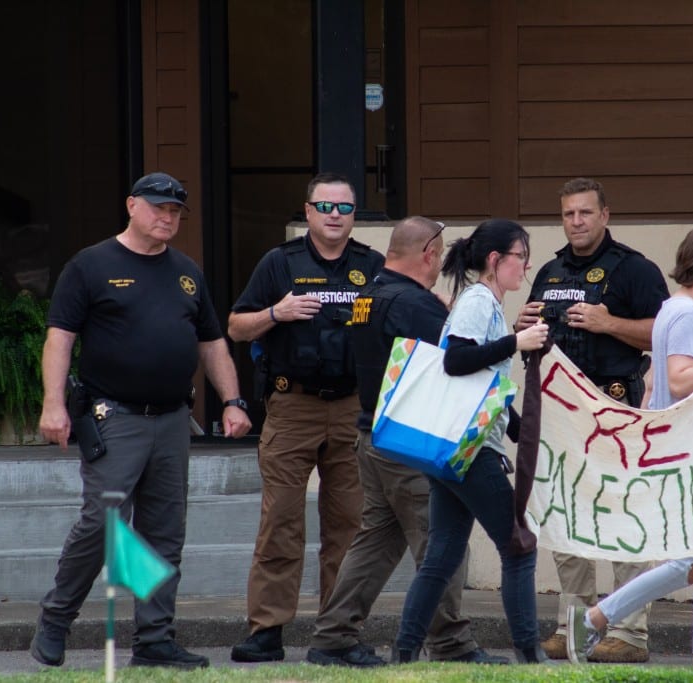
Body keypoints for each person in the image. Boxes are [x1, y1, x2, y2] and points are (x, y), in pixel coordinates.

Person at [30, 172, 252, 669]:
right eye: (157, 208)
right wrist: (52, 403)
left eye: (175, 212)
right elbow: (59, 338)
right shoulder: (91, 265)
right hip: (114, 417)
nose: (167, 218)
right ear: (132, 205)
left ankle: (154, 640)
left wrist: (233, 400)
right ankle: (56, 620)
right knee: (103, 523)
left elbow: (212, 343)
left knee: (164, 532)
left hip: (173, 419)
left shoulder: (187, 272)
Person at [305, 216, 507, 667]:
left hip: (372, 434)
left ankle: (334, 637)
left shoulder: (368, 296)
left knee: (376, 541)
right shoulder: (416, 305)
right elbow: (457, 367)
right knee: (442, 540)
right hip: (414, 442)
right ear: (429, 255)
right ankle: (451, 644)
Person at [566, 224, 693, 669]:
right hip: (690, 455)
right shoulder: (687, 315)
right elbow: (678, 380)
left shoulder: (672, 311)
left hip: (681, 450)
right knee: (690, 562)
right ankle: (595, 618)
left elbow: (656, 380)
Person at [229, 172, 385, 662]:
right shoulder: (279, 263)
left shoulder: (372, 266)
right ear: (308, 211)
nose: (335, 215)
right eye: (325, 206)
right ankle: (267, 631)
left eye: (344, 207)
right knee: (281, 521)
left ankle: (337, 636)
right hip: (292, 406)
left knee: (349, 525)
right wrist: (276, 313)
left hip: (352, 409)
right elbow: (236, 326)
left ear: (354, 214)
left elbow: (395, 324)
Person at [514, 177, 669, 663]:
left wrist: (608, 324)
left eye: (584, 213)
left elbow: (662, 335)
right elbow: (537, 333)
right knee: (564, 517)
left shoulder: (634, 270)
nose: (576, 222)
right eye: (567, 214)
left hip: (615, 402)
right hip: (560, 408)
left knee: (622, 513)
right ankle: (574, 625)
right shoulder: (550, 271)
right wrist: (524, 328)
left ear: (605, 215)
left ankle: (628, 632)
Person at [394, 219, 550, 665]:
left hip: (454, 449)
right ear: (495, 260)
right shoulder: (479, 302)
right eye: (521, 256)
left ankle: (404, 654)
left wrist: (521, 430)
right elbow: (457, 361)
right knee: (519, 545)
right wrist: (515, 342)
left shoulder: (487, 304)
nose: (527, 265)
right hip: (471, 449)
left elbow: (483, 387)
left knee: (441, 556)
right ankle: (530, 655)